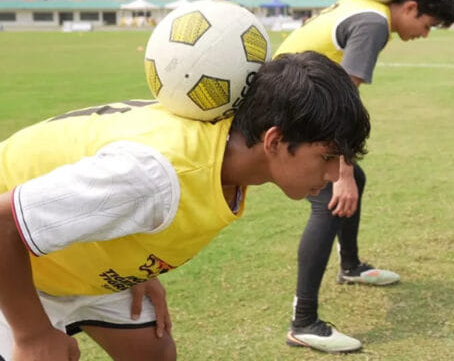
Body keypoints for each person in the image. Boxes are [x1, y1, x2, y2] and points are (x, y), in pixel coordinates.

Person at [0, 51, 371, 361]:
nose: (337, 173)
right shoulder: (155, 175)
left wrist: (139, 270)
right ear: (274, 140)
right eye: (328, 157)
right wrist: (32, 334)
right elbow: (4, 223)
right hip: (12, 257)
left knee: (155, 353)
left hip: (63, 248)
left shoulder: (232, 152)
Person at [275, 0, 454, 353]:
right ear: (410, 7)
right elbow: (344, 101)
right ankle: (304, 321)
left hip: (288, 97)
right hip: (286, 105)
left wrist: (348, 172)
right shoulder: (374, 22)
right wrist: (339, 172)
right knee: (331, 194)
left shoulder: (366, 8)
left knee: (352, 177)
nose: (425, 34)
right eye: (427, 24)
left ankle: (351, 266)